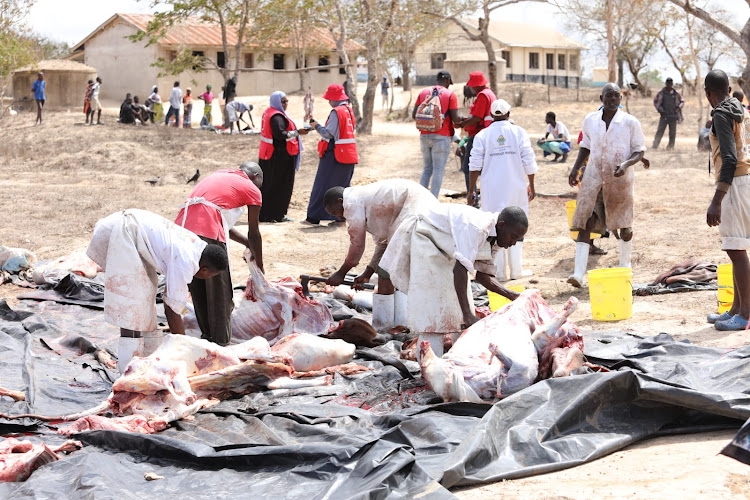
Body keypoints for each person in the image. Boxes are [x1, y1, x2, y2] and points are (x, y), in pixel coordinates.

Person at [86, 209, 228, 373]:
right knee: (132, 305)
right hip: (121, 231)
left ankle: (147, 363)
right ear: (204, 269)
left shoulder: (198, 248)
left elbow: (173, 300)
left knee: (145, 295)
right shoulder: (186, 261)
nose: (208, 278)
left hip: (127, 231)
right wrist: (184, 352)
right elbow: (171, 310)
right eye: (211, 275)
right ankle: (128, 373)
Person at [379, 204, 528, 336]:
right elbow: (460, 270)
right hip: (424, 236)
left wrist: (512, 295)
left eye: (518, 239)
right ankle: (431, 354)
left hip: (445, 249)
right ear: (501, 225)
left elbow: (483, 276)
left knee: (460, 309)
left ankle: (454, 355)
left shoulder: (496, 239)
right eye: (513, 237)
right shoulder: (478, 228)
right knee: (434, 312)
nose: (513, 243)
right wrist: (468, 315)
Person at [566, 83, 647, 287]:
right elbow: (585, 146)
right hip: (593, 178)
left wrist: (626, 164)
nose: (613, 99)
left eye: (616, 96)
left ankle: (624, 267)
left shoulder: (630, 122)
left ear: (621, 98)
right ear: (601, 98)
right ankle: (578, 274)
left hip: (620, 180)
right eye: (608, 96)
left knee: (625, 225)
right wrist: (575, 169)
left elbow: (639, 151)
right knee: (586, 222)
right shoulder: (591, 120)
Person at [175, 162, 264, 345]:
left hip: (182, 228)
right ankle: (221, 343)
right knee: (219, 289)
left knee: (198, 281)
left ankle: (207, 336)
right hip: (206, 227)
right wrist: (260, 266)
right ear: (255, 176)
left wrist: (246, 244)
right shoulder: (250, 187)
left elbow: (224, 224)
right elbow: (254, 232)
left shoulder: (221, 176)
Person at [322, 179, 439, 293]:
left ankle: (389, 309)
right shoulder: (367, 203)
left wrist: (341, 273)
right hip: (420, 205)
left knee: (387, 271)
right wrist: (368, 273)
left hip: (415, 206)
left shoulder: (351, 203)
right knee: (392, 267)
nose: (338, 217)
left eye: (334, 212)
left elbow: (357, 243)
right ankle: (398, 307)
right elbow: (384, 244)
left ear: (340, 201)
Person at [468, 99, 538, 280]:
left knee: (494, 227)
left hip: (492, 189)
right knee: (517, 224)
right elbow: (528, 160)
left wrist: (471, 190)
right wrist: (531, 184)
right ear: (509, 113)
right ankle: (516, 270)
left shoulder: (482, 135)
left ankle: (497, 272)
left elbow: (474, 165)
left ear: (491, 115)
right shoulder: (518, 132)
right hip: (516, 187)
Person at [703, 70, 750, 331]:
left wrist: (716, 200)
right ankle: (735, 309)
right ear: (729, 88)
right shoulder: (738, 108)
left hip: (733, 184)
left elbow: (730, 158)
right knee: (736, 247)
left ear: (707, 92)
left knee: (736, 248)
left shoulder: (721, 114)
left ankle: (745, 315)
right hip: (744, 181)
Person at [304, 84, 359, 225]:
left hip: (334, 154)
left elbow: (328, 134)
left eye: (330, 99)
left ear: (334, 99)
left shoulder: (336, 111)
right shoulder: (349, 110)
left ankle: (313, 218)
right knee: (343, 187)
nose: (328, 101)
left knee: (322, 185)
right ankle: (341, 218)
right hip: (348, 153)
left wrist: (315, 125)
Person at [258, 91, 310, 223]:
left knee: (269, 185)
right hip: (279, 157)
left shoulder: (269, 112)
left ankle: (267, 214)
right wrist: (298, 132)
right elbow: (280, 134)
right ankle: (275, 215)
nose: (286, 104)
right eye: (283, 101)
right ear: (277, 102)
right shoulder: (276, 116)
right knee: (280, 185)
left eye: (287, 101)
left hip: (269, 154)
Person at [413, 71, 461, 197]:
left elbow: (414, 115)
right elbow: (455, 119)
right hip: (442, 136)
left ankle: (420, 198)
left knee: (426, 169)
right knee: (438, 169)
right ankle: (433, 199)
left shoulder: (423, 92)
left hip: (424, 135)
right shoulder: (450, 94)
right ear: (447, 81)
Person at [456, 71, 496, 199]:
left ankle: (473, 199)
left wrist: (461, 124)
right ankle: (487, 197)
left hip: (479, 136)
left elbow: (477, 118)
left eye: (472, 85)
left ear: (477, 85)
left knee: (468, 168)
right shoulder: (489, 94)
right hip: (486, 135)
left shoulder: (483, 96)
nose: (471, 88)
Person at [652, 77, 684, 150]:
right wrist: (660, 109)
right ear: (666, 84)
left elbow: (682, 101)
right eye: (668, 83)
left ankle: (670, 146)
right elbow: (655, 101)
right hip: (664, 116)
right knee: (660, 131)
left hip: (673, 116)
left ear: (672, 84)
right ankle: (655, 146)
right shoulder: (661, 93)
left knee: (672, 133)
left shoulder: (676, 94)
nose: (669, 85)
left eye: (670, 83)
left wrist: (679, 108)